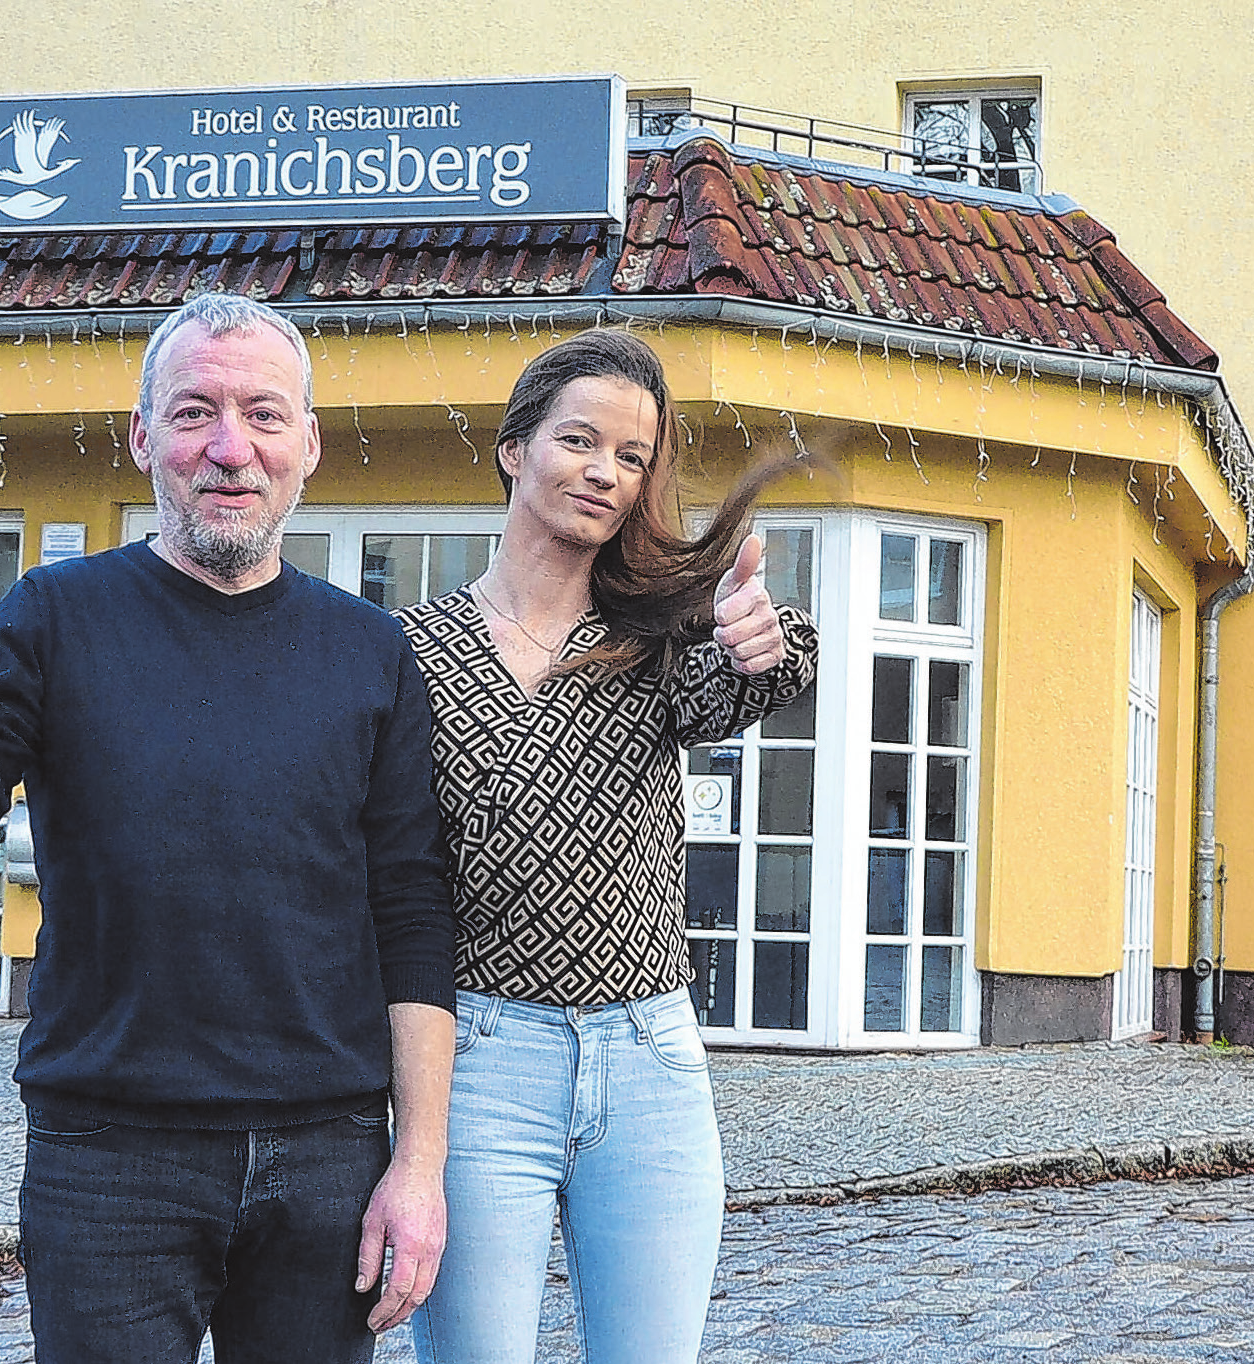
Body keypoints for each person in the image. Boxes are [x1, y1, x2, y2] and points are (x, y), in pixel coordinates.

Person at [0, 292, 457, 1364]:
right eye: (193, 412)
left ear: (307, 443)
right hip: (110, 1153)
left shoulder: (369, 649)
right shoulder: (51, 615)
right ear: (141, 438)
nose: (230, 449)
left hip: (327, 1153)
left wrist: (417, 1166)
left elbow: (410, 910)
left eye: (264, 415)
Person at [395, 329, 820, 1364]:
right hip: (481, 1059)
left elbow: (757, 673)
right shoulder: (408, 649)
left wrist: (765, 638)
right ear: (512, 446)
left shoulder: (653, 643)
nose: (604, 471)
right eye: (579, 440)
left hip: (649, 1064)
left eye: (631, 458)